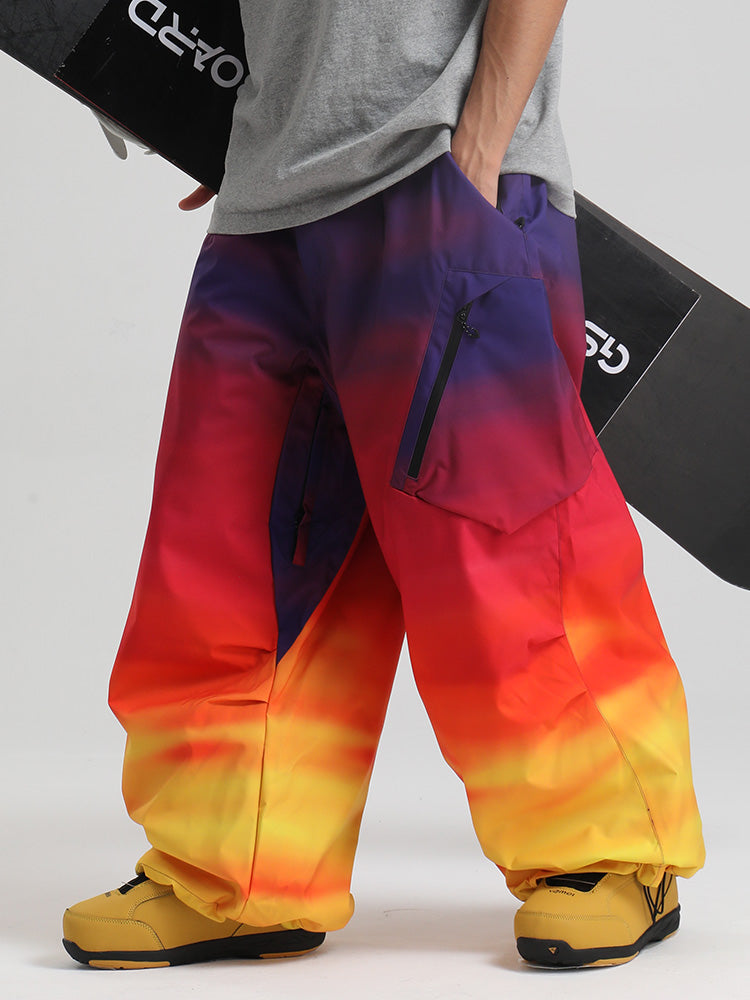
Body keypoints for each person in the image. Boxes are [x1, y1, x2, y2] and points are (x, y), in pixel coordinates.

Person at [61, 0, 704, 971]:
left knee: (499, 548)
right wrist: (208, 110)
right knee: (228, 553)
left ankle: (612, 851)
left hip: (439, 170)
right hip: (269, 193)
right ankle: (236, 869)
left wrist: (481, 144)